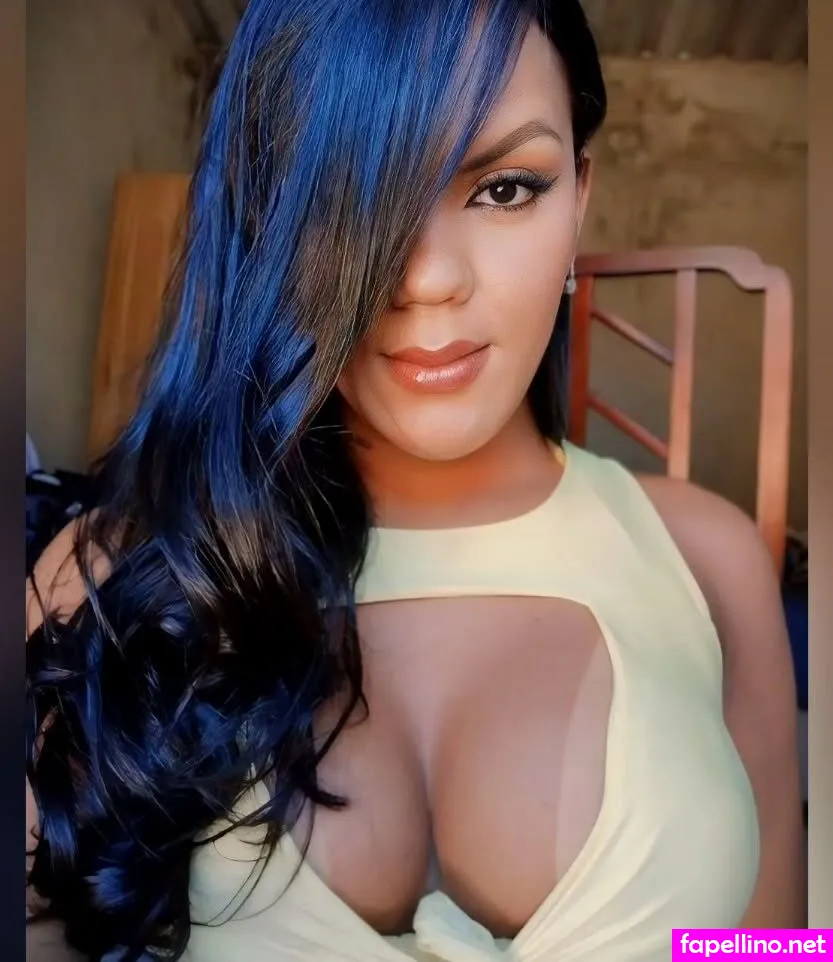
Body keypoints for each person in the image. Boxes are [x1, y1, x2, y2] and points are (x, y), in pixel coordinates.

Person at [26, 1, 805, 960]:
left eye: (506, 189)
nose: (427, 277)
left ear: (579, 200)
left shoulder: (710, 561)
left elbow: (774, 948)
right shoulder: (114, 577)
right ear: (266, 221)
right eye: (347, 196)